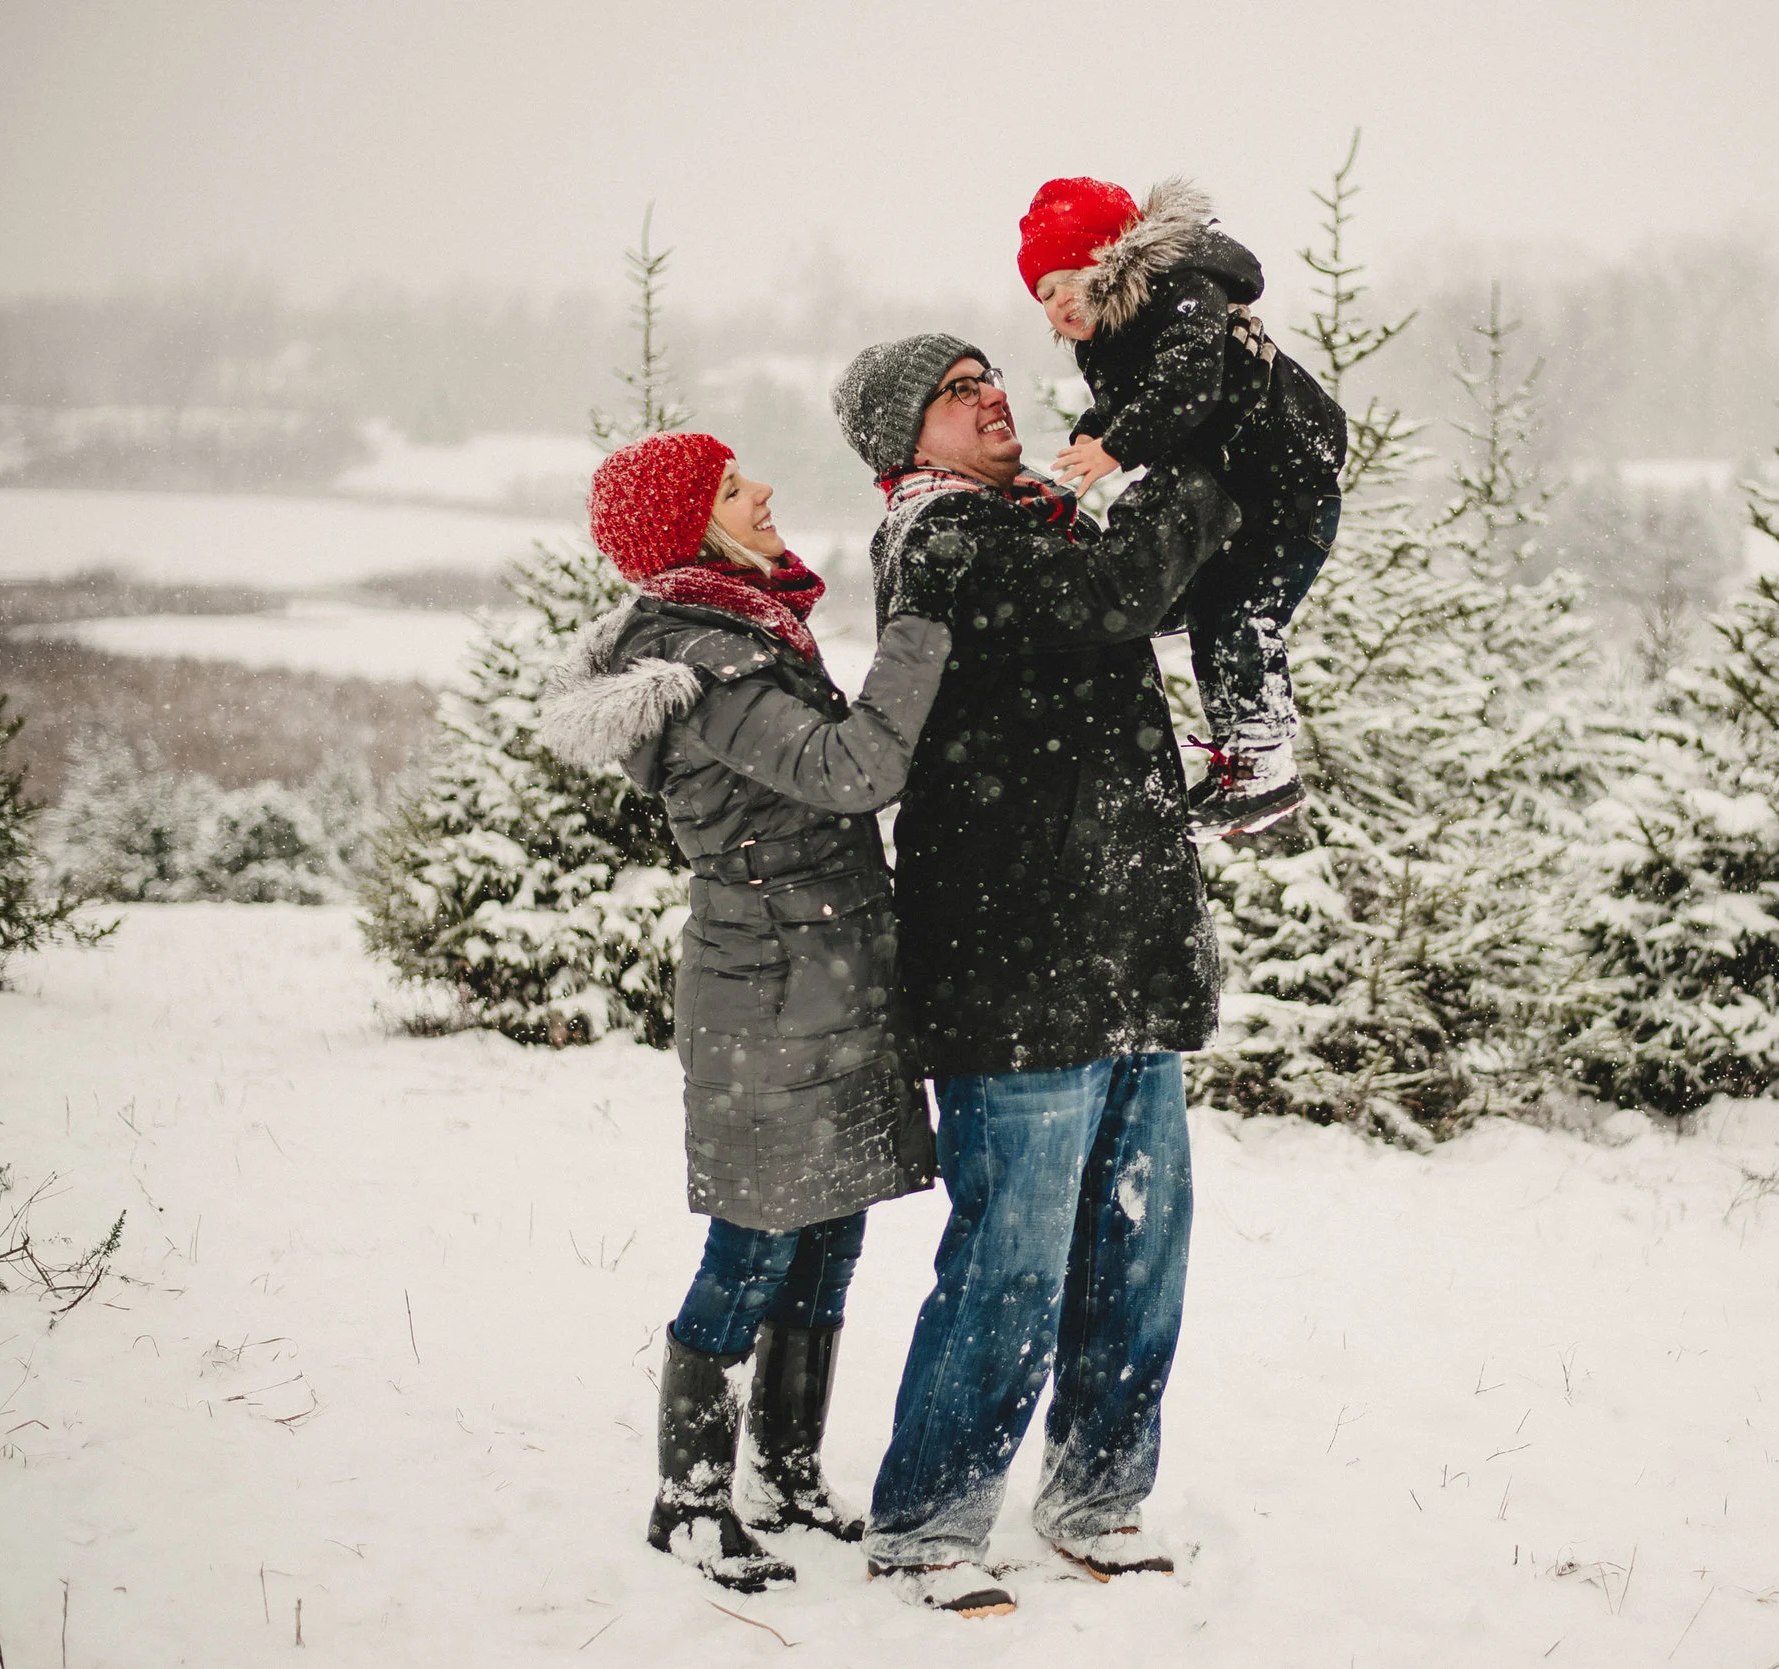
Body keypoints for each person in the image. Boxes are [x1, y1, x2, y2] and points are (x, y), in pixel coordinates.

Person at [828, 334, 1239, 1616]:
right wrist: (1199, 460)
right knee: (1010, 1254)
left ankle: (1098, 1495)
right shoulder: (942, 541)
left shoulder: (1039, 523)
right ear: (903, 437)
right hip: (1014, 962)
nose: (990, 396)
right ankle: (928, 1522)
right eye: (955, 392)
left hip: (1121, 949)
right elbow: (1116, 594)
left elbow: (1153, 589)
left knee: (1137, 1242)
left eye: (988, 377)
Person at [536, 431, 968, 1596]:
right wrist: (921, 621)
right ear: (688, 529)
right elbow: (852, 769)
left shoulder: (748, 630)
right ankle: (688, 1501)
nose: (761, 489)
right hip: (769, 985)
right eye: (729, 486)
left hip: (824, 971)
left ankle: (784, 1473)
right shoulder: (704, 661)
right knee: (754, 1242)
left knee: (828, 1229)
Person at [1021, 175, 1348, 837]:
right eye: (1043, 296)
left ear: (1110, 262)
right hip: (1231, 491)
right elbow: (1129, 400)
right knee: (1205, 611)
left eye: (1066, 281)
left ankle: (1264, 758)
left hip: (1284, 485)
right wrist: (1092, 434)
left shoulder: (1181, 288)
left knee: (1240, 613)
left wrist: (1115, 448)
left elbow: (1188, 381)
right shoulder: (1107, 339)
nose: (1057, 304)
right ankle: (1238, 761)